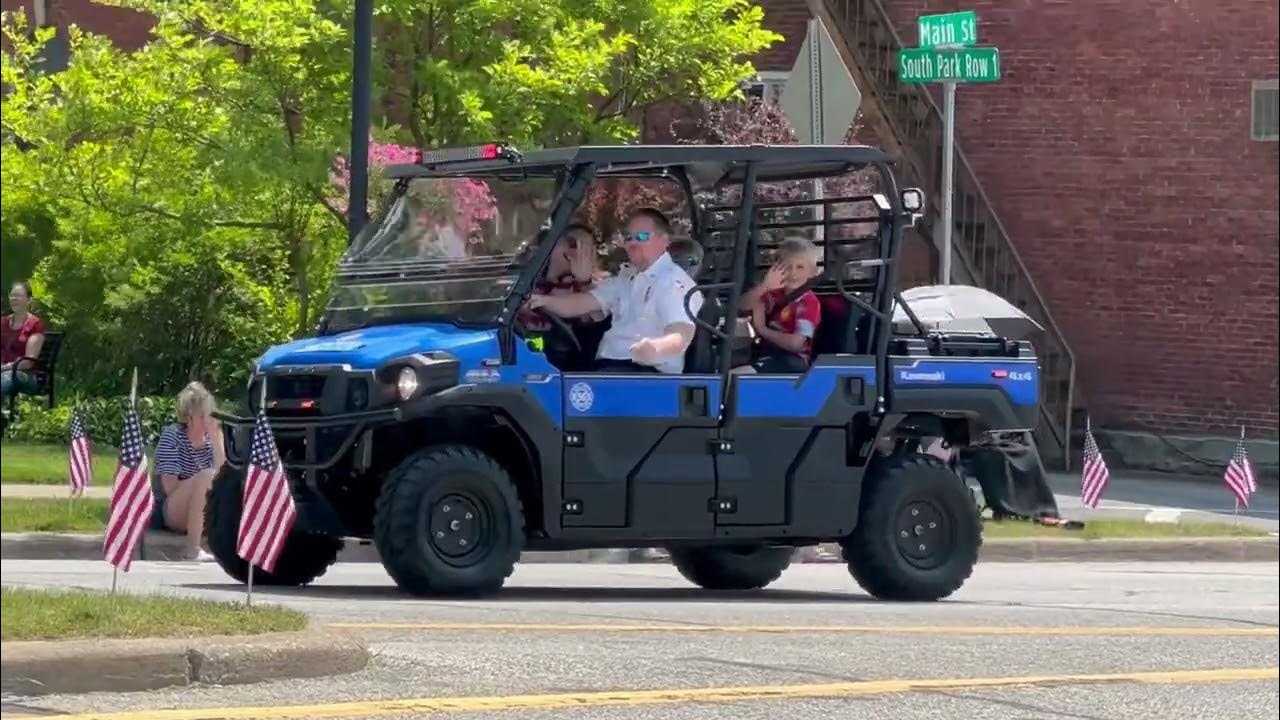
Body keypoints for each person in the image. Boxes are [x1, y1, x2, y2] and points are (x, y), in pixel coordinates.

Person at [528, 208, 703, 373]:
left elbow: (681, 332)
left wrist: (657, 348)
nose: (632, 242)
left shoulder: (672, 282)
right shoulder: (626, 279)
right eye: (628, 237)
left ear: (664, 241)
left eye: (642, 236)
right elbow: (582, 303)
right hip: (612, 370)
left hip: (644, 374)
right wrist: (540, 301)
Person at [153, 382, 223, 561]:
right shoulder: (173, 436)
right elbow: (170, 488)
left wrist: (216, 439)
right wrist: (200, 484)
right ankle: (192, 549)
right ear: (191, 416)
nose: (209, 418)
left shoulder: (211, 441)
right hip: (170, 510)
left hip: (205, 511)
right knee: (207, 475)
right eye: (205, 414)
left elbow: (225, 477)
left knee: (220, 481)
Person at [739, 237, 822, 373]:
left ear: (812, 272)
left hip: (793, 360)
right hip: (766, 353)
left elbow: (796, 344)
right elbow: (742, 305)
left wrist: (763, 330)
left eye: (800, 267)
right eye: (787, 266)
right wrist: (765, 286)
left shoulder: (808, 302)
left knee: (738, 375)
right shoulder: (773, 294)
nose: (793, 272)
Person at [1, 281, 46, 399]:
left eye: (18, 296)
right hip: (3, 372)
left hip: (25, 375)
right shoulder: (3, 322)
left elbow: (28, 362)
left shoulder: (35, 324)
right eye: (12, 295)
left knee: (6, 378)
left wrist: (5, 367)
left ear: (29, 300)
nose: (14, 299)